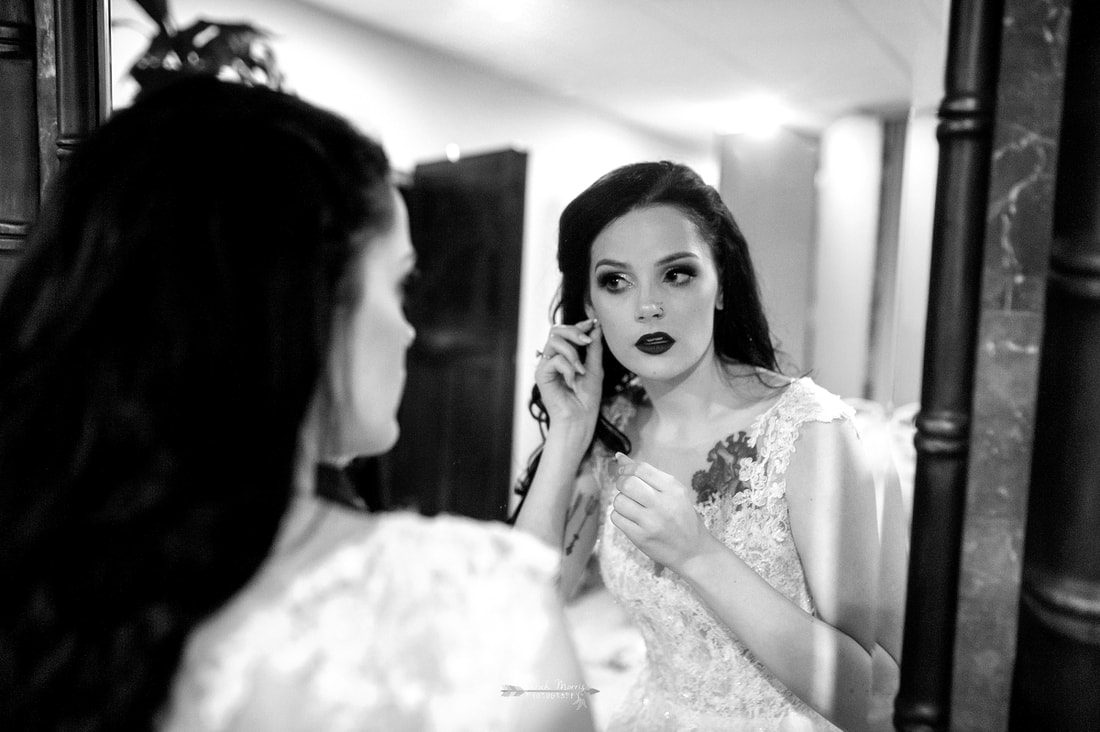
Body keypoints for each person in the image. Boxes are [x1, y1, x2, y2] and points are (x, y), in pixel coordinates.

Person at [0, 78, 593, 732]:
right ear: (311, 308)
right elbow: (539, 696)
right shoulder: (473, 601)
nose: (410, 330)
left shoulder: (43, 577)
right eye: (401, 284)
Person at [513, 161, 906, 731]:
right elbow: (517, 614)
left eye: (676, 274)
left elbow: (866, 696)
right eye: (615, 281)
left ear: (720, 283)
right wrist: (569, 433)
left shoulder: (810, 434)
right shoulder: (613, 432)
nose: (648, 305)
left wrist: (700, 555)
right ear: (590, 307)